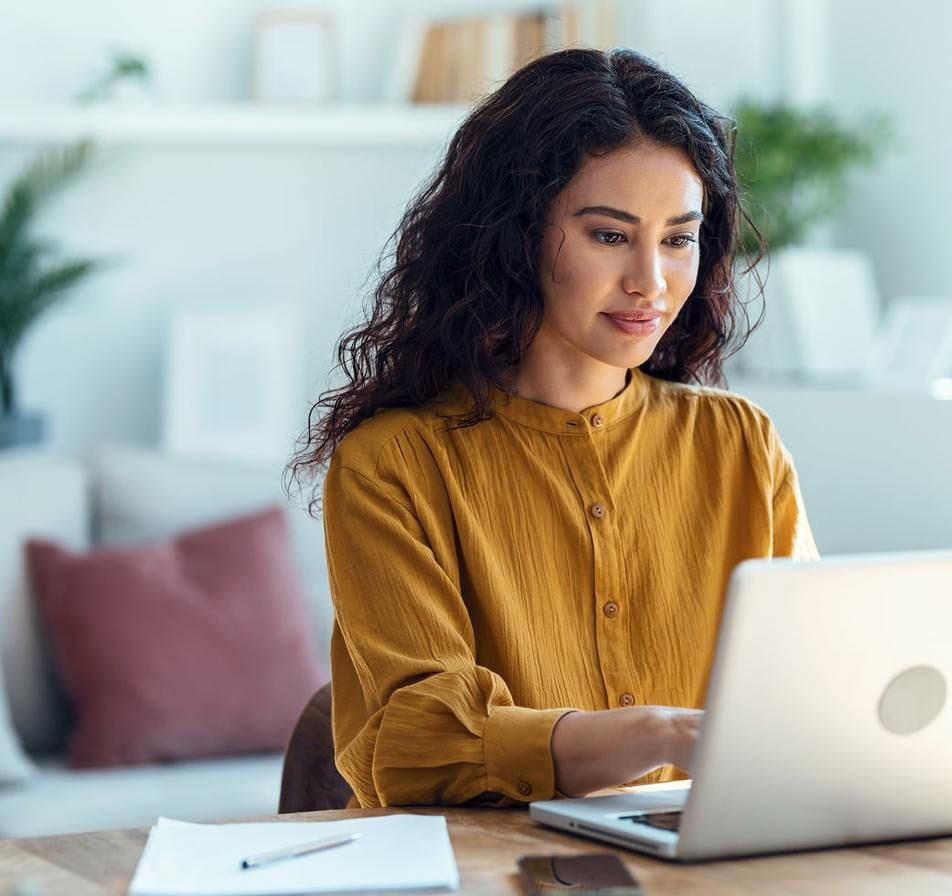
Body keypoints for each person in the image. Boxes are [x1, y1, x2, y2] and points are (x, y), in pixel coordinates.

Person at [288, 47, 818, 809]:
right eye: (610, 235)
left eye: (678, 238)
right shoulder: (392, 464)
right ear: (516, 235)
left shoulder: (741, 443)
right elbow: (415, 742)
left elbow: (810, 685)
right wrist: (657, 734)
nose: (651, 281)